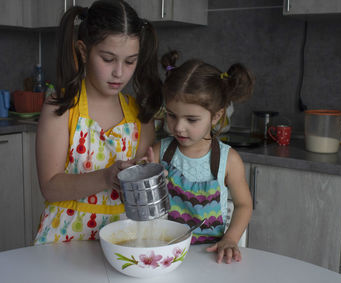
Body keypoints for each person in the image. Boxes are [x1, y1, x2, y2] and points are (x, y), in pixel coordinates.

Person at [34, 0, 162, 245]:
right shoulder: (61, 107)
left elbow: (139, 184)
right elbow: (50, 187)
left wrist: (146, 175)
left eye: (130, 61)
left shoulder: (139, 114)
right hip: (64, 240)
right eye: (108, 59)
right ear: (83, 51)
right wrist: (106, 177)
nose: (119, 73)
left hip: (122, 240)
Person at [149, 50, 254, 264]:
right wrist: (148, 177)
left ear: (216, 116)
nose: (178, 127)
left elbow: (244, 205)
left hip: (210, 257)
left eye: (191, 119)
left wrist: (231, 239)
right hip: (165, 254)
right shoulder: (160, 151)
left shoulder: (228, 160)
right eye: (171, 115)